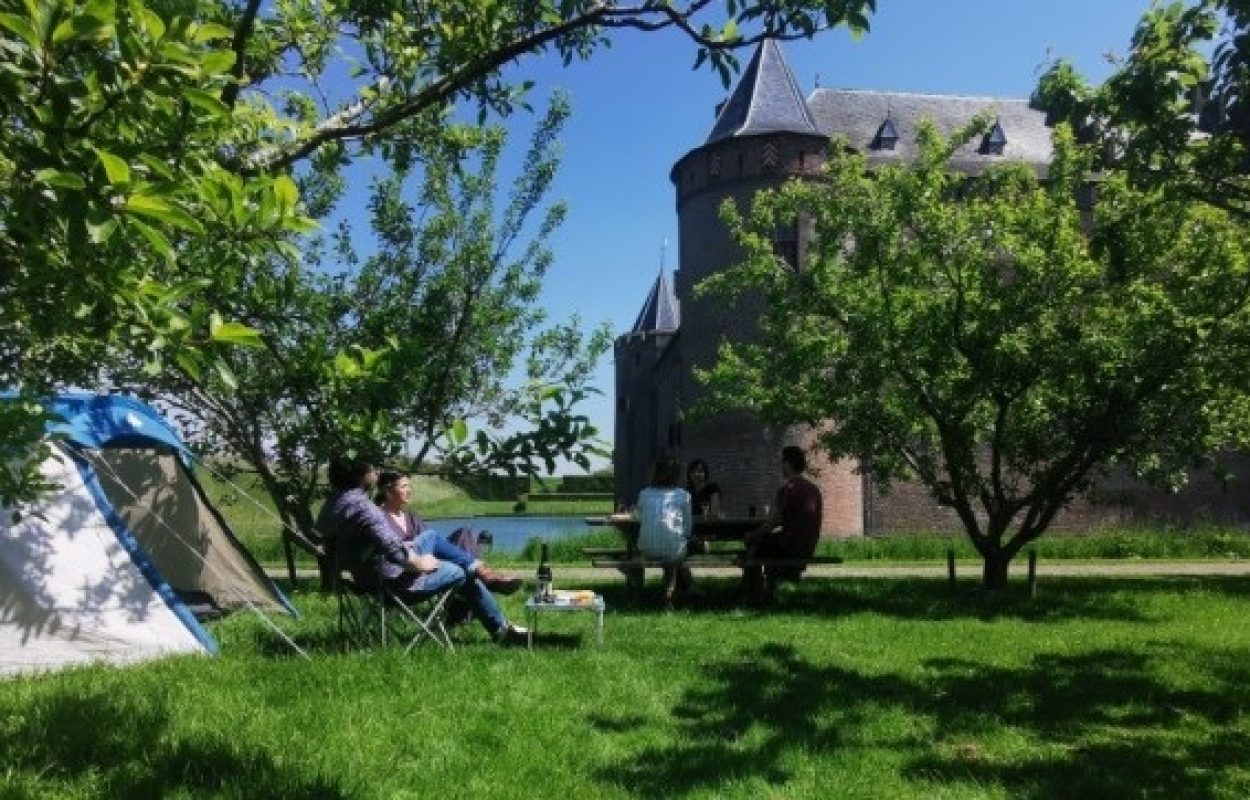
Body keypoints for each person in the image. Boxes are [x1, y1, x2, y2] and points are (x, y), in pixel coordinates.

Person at [316, 455, 527, 644]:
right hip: (396, 583)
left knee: (439, 539)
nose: (376, 472)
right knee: (462, 572)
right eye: (372, 469)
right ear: (361, 475)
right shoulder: (364, 508)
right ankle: (500, 627)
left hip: (364, 580)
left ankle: (483, 575)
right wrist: (419, 563)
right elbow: (395, 552)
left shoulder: (331, 506)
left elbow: (323, 543)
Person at [374, 470, 522, 595]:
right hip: (408, 569)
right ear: (388, 491)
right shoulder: (379, 519)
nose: (409, 491)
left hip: (428, 559)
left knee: (464, 534)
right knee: (431, 536)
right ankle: (482, 577)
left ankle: (471, 588)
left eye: (409, 486)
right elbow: (391, 550)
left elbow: (432, 545)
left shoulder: (411, 517)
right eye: (404, 486)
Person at [743, 445, 823, 605]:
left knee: (755, 545)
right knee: (767, 544)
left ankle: (753, 596)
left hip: (789, 547)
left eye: (782, 461)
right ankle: (768, 593)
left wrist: (752, 535)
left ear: (789, 463)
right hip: (806, 547)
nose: (780, 465)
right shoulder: (814, 490)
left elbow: (770, 524)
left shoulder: (787, 489)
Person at [635, 455, 695, 607]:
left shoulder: (644, 493)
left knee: (672, 552)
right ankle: (671, 593)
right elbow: (688, 528)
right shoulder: (683, 495)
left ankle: (689, 587)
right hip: (674, 549)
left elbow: (639, 518)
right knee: (678, 552)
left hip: (647, 549)